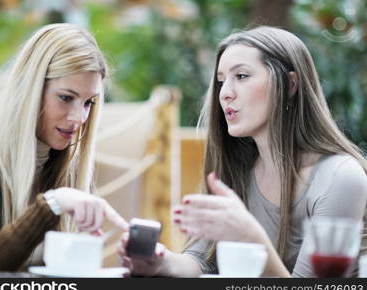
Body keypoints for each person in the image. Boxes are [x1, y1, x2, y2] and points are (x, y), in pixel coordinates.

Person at [118, 26, 367, 277]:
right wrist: (160, 262)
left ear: (291, 84)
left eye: (242, 76)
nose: (225, 93)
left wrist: (249, 236)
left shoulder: (340, 178)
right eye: (220, 81)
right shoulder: (237, 168)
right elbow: (202, 260)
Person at [0, 23, 128, 272]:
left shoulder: (69, 170)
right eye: (66, 98)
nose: (79, 118)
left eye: (88, 103)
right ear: (30, 90)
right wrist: (52, 204)